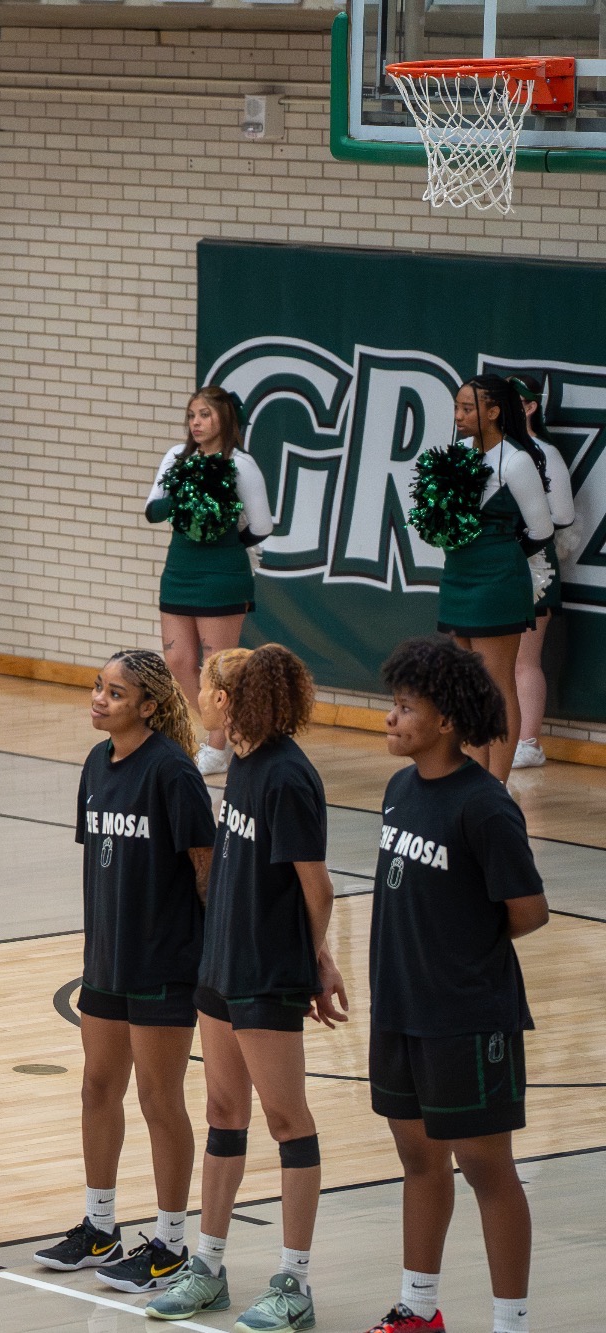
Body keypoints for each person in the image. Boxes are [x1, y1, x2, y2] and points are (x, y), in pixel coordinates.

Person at [147, 644, 348, 1331]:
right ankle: (208, 1264)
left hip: (266, 972)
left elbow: (317, 887)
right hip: (220, 967)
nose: (195, 696)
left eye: (203, 688)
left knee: (287, 1119)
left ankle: (294, 1280)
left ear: (227, 700)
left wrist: (308, 960)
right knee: (224, 1111)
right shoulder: (245, 762)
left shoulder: (289, 777)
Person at [361, 636, 547, 1333]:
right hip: (400, 1008)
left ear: (445, 721)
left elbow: (528, 910)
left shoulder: (485, 805)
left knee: (485, 1165)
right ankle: (418, 1306)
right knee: (417, 1156)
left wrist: (459, 952)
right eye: (394, 705)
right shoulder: (399, 788)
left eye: (406, 708)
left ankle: (510, 1322)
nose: (391, 718)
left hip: (467, 1015)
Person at [35, 649, 211, 1292]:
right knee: (96, 1089)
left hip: (164, 962)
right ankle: (100, 1225)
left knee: (160, 1100)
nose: (99, 699)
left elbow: (205, 869)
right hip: (106, 961)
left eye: (114, 692)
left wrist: (210, 959)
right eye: (97, 688)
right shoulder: (96, 763)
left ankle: (170, 1242)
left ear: (149, 705)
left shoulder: (172, 772)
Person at [431, 375, 556, 784]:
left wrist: (499, 557)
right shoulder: (458, 453)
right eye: (457, 407)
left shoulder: (517, 461)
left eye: (468, 408)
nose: (459, 416)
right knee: (465, 682)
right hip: (458, 577)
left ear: (495, 411)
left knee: (498, 682)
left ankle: (496, 786)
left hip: (497, 581)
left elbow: (541, 530)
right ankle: (472, 777)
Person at [146, 387, 274, 775]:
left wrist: (225, 544)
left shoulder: (242, 465)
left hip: (223, 575)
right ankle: (225, 726)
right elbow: (153, 510)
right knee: (179, 659)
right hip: (179, 571)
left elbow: (262, 525)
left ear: (226, 418)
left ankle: (217, 748)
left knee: (215, 667)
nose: (196, 423)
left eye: (204, 415)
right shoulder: (176, 457)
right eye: (191, 416)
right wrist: (184, 491)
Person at [505, 376, 576, 772]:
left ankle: (529, 742)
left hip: (534, 564)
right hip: (496, 564)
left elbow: (563, 515)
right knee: (493, 658)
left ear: (530, 407)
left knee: (523, 661)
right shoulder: (494, 453)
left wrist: (527, 527)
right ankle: (498, 733)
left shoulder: (545, 453)